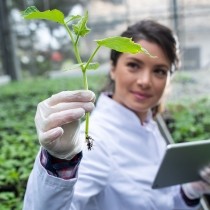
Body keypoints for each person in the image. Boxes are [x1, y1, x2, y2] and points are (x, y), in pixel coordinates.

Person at [23, 20, 210, 210]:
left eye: (159, 71)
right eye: (134, 65)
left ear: (169, 79)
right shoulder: (96, 140)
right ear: (113, 68)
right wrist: (58, 163)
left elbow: (161, 202)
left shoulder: (149, 125)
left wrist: (188, 194)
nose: (145, 81)